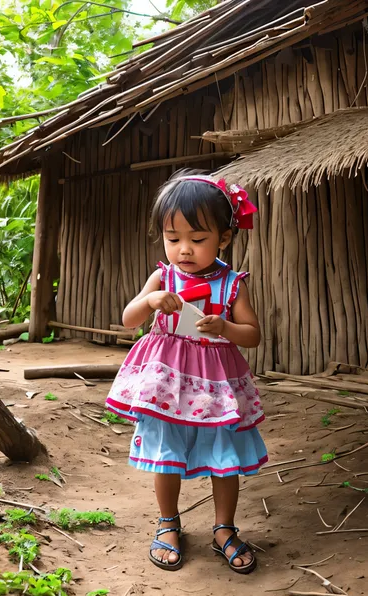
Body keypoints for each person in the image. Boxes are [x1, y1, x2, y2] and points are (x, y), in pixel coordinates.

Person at [106, 172, 267, 574]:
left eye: (197, 239)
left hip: (217, 387)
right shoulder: (163, 277)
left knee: (224, 454)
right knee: (167, 452)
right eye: (172, 238)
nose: (184, 250)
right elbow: (128, 319)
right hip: (167, 385)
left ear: (224, 239)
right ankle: (168, 523)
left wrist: (225, 328)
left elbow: (253, 336)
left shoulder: (232, 284)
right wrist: (151, 301)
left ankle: (224, 529)